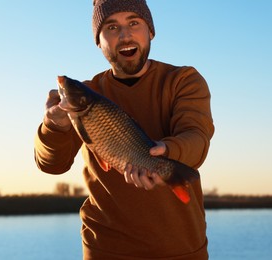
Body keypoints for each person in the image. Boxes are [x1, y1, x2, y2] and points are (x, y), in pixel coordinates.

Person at [34, 0, 214, 259]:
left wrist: (163, 152)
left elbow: (196, 139)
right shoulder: (86, 94)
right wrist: (54, 126)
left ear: (150, 30)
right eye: (111, 27)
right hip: (104, 248)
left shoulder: (183, 80)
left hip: (181, 247)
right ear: (99, 40)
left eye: (134, 23)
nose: (125, 34)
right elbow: (51, 165)